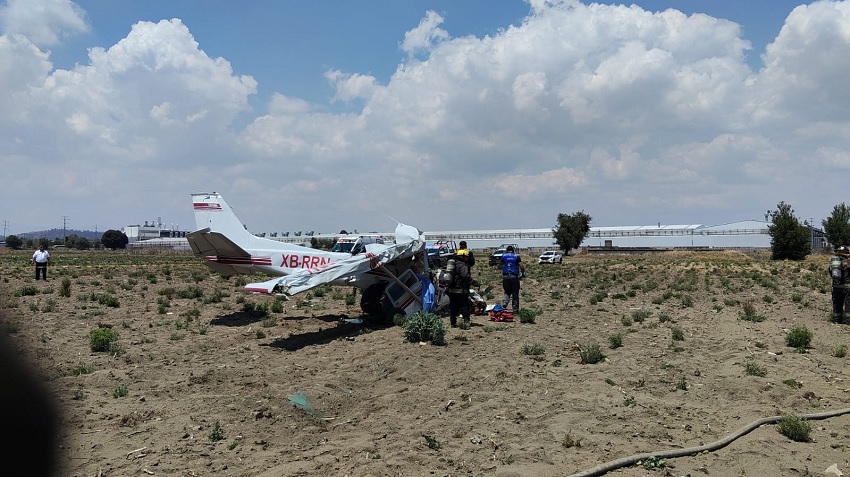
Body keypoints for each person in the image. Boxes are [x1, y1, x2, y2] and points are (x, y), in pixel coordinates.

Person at [446, 248, 472, 327]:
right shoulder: (462, 265)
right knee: (464, 306)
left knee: (453, 307)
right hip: (460, 290)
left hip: (451, 290)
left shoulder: (452, 264)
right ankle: (466, 322)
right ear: (463, 256)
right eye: (466, 257)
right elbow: (465, 276)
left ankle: (453, 323)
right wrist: (472, 281)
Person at [500, 245, 526, 314]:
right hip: (514, 276)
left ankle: (504, 305)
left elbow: (501, 264)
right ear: (513, 250)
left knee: (507, 291)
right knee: (515, 293)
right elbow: (521, 266)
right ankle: (515, 309)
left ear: (506, 250)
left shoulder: (503, 256)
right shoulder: (516, 256)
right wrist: (523, 273)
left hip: (505, 276)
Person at [828, 245, 850, 323]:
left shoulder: (834, 262)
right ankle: (848, 320)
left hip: (836, 286)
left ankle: (836, 319)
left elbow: (831, 272)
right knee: (848, 303)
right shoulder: (848, 261)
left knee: (837, 303)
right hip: (847, 287)